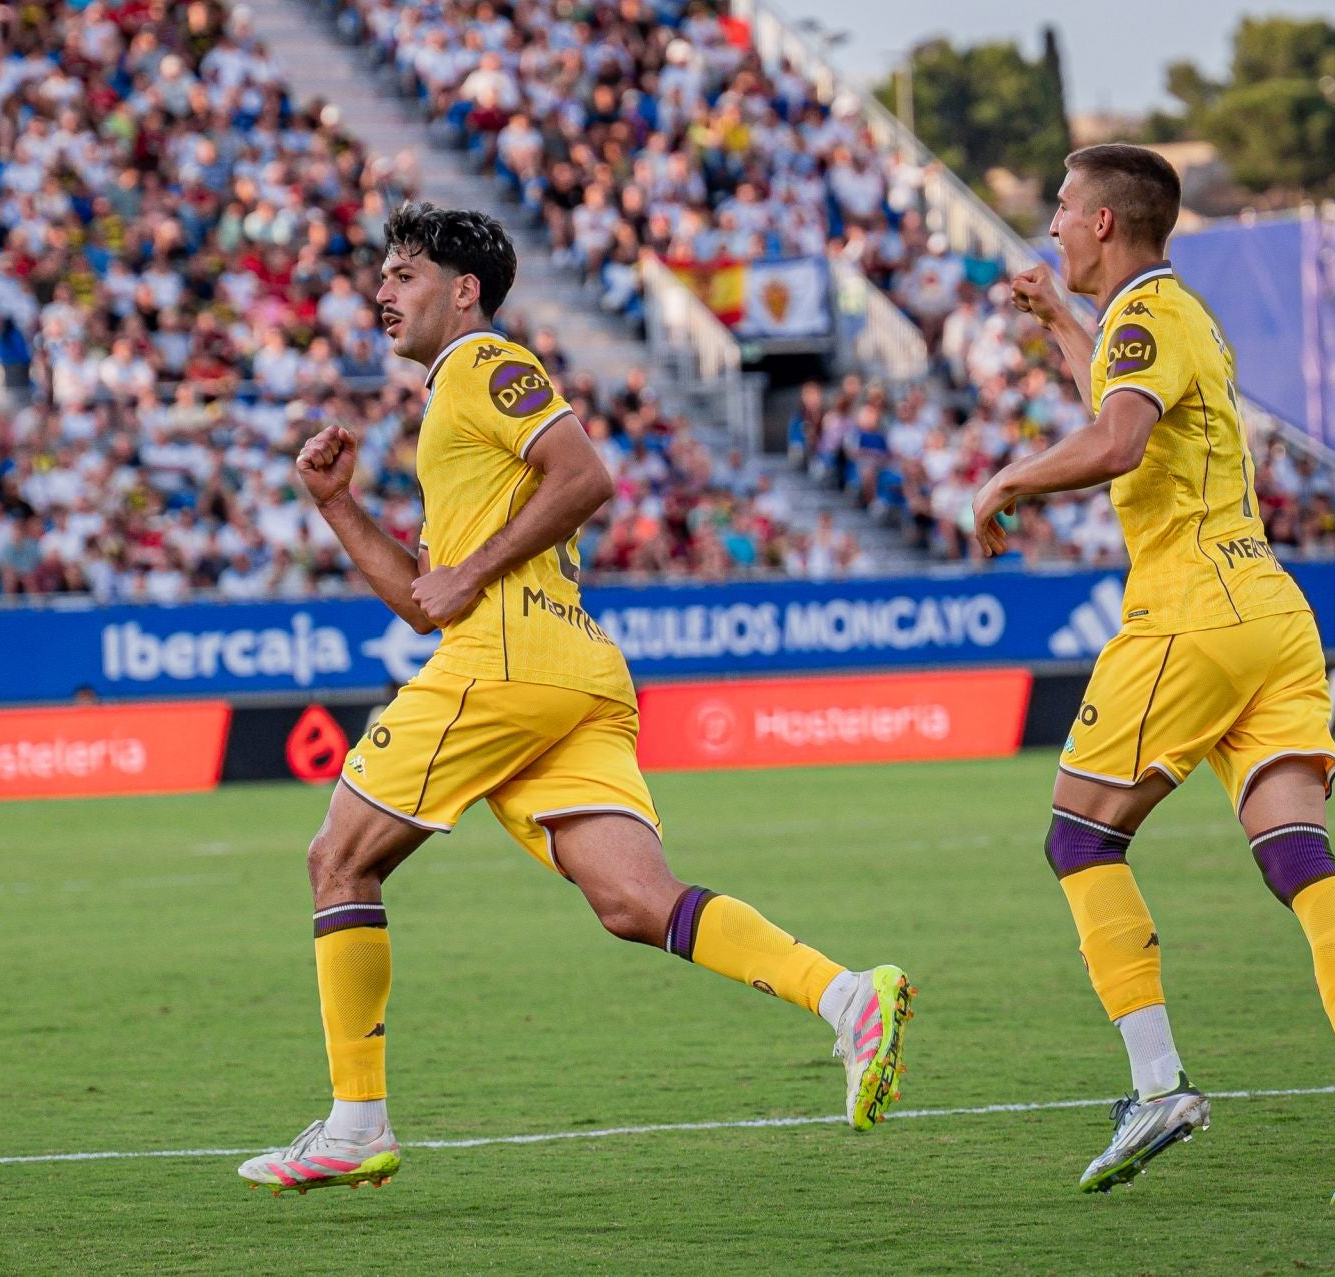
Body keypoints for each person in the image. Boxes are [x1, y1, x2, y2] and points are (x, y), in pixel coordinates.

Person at [238, 204, 915, 1195]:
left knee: (337, 857)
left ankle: (354, 1120)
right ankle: (848, 995)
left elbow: (585, 474)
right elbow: (426, 594)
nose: (381, 292)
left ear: (463, 290)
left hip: (506, 660)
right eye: (381, 276)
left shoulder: (480, 366)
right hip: (570, 672)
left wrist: (472, 578)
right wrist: (338, 506)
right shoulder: (449, 407)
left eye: (403, 274)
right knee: (635, 901)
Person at [971, 144, 1335, 1202]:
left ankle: (1159, 1081)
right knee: (1296, 851)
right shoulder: (1175, 311)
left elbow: (1120, 438)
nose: (1051, 225)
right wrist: (1053, 325)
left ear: (1103, 227)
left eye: (1063, 208)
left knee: (1081, 835)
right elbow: (1130, 390)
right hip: (1271, 607)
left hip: (1189, 613)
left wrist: (1010, 478)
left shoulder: (1141, 319)